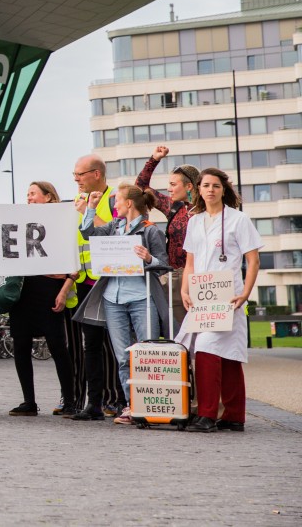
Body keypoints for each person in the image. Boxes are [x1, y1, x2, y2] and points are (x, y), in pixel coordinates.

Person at [77, 184, 169, 425]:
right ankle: (131, 406)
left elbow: (164, 263)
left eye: (117, 200)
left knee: (148, 353)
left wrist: (149, 259)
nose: (114, 204)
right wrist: (90, 208)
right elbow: (87, 233)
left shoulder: (150, 231)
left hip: (141, 298)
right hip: (113, 299)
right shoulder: (114, 227)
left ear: (129, 203)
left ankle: (152, 405)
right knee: (123, 357)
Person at [182, 168, 262, 433]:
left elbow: (253, 260)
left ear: (223, 190)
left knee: (208, 348)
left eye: (216, 186)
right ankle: (234, 415)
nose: (211, 190)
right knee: (225, 355)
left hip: (229, 297)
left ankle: (207, 415)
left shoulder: (239, 220)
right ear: (199, 189)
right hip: (201, 295)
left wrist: (246, 293)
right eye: (206, 185)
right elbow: (190, 262)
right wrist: (184, 290)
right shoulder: (194, 221)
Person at [0, 181, 78, 418]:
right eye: (27, 194)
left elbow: (73, 265)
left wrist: (64, 291)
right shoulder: (21, 222)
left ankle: (70, 400)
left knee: (57, 346)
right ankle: (28, 401)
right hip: (25, 290)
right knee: (21, 346)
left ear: (48, 197)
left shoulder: (62, 223)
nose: (29, 198)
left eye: (33, 194)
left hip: (50, 290)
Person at [67, 153, 120, 420]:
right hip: (86, 283)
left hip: (111, 282)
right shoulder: (79, 202)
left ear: (96, 174)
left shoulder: (114, 200)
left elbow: (118, 233)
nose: (76, 179)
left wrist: (88, 214)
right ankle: (94, 404)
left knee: (117, 343)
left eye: (80, 174)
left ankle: (120, 399)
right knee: (92, 345)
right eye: (74, 175)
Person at [138, 146, 197, 336]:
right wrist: (154, 159)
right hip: (174, 276)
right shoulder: (173, 206)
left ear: (189, 186)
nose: (168, 189)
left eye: (173, 184)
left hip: (200, 276)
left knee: (200, 333)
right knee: (178, 333)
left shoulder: (205, 210)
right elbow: (140, 189)